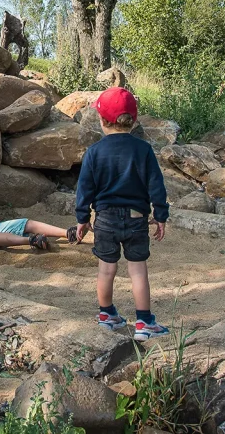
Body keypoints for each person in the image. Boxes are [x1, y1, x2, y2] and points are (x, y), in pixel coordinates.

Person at [75, 87, 170, 342]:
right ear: (133, 120)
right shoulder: (144, 150)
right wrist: (160, 215)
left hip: (104, 218)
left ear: (102, 120)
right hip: (137, 217)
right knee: (137, 270)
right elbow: (156, 186)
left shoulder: (94, 152)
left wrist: (82, 218)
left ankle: (106, 315)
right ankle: (144, 322)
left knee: (106, 269)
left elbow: (85, 188)